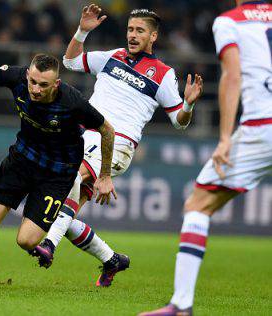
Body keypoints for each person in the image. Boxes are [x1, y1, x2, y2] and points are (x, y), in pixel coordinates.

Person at [31, 5, 204, 287]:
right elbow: (71, 60)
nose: (133, 36)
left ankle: (49, 246)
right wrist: (83, 31)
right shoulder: (113, 57)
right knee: (63, 213)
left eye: (140, 31)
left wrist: (187, 103)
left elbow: (179, 122)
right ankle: (112, 260)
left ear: (153, 36)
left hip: (118, 144)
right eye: (130, 29)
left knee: (70, 179)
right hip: (84, 137)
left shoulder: (163, 75)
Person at [139, 1, 272, 315]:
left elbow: (232, 76)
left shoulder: (229, 22)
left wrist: (225, 138)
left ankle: (181, 305)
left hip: (261, 128)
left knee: (198, 204)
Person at [0, 53, 117, 290]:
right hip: (22, 160)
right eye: (33, 82)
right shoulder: (18, 77)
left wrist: (104, 176)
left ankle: (105, 256)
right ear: (28, 75)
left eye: (43, 85)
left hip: (56, 175)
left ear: (56, 84)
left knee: (26, 241)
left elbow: (108, 130)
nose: (36, 89)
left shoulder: (73, 102)